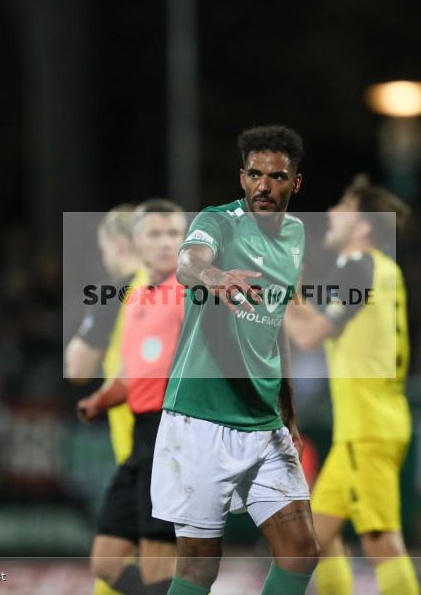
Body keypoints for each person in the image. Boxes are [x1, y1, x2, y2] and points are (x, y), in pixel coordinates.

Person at [151, 125, 319, 595]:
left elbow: (277, 322)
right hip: (201, 417)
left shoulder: (297, 236)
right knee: (200, 567)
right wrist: (214, 275)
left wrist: (288, 409)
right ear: (241, 178)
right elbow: (188, 264)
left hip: (263, 422)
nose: (264, 186)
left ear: (295, 183)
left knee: (301, 549)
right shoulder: (218, 221)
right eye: (254, 174)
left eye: (277, 176)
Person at [283, 174, 420, 595]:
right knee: (316, 540)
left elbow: (307, 336)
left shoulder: (358, 265)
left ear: (363, 226)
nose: (331, 213)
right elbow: (314, 323)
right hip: (364, 429)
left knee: (381, 541)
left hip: (367, 429)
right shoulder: (378, 269)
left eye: (342, 207)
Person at [78, 200, 187, 595]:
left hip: (173, 436)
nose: (164, 243)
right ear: (137, 243)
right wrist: (102, 400)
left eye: (173, 234)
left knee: (158, 566)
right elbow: (132, 373)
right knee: (105, 562)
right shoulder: (137, 298)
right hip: (142, 439)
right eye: (155, 234)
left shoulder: (192, 293)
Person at [66, 204, 145, 467]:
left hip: (139, 445)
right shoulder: (177, 287)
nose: (104, 259)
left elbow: (78, 369)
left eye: (104, 250)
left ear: (120, 244)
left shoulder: (113, 294)